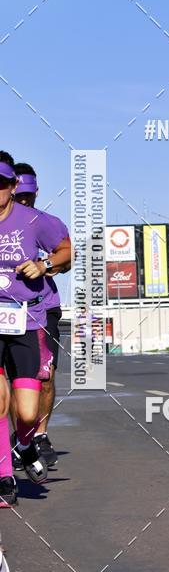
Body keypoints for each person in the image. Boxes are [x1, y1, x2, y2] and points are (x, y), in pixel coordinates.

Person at [0, 153, 71, 507]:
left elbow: (65, 251)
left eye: (2, 183)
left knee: (26, 411)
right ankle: (3, 475)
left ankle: (25, 442)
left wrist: (42, 264)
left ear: (12, 187)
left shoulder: (35, 221)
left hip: (27, 320)